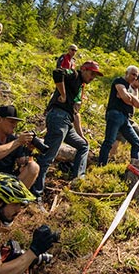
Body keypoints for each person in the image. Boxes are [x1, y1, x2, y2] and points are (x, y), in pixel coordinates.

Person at [31, 61, 102, 199]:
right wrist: (62, 94)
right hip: (58, 117)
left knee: (83, 145)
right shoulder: (75, 75)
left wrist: (81, 135)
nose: (93, 77)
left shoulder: (80, 87)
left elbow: (76, 113)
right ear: (83, 69)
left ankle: (78, 180)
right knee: (47, 158)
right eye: (91, 73)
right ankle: (36, 194)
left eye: (95, 75)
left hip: (67, 122)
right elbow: (58, 72)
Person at [98, 66, 139, 165]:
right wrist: (130, 98)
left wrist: (129, 96)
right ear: (126, 73)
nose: (135, 77)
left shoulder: (130, 87)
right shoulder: (119, 81)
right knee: (109, 142)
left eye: (136, 75)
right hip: (115, 114)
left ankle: (135, 168)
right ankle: (101, 166)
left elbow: (138, 105)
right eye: (133, 74)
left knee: (137, 143)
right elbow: (125, 98)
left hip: (125, 118)